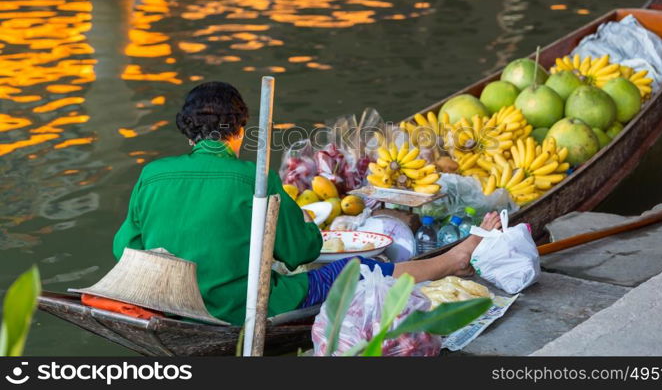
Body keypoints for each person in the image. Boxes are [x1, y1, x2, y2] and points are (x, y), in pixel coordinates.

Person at [113, 81, 501, 325]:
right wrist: (300, 227)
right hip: (231, 308)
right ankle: (454, 259)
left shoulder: (152, 174)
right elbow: (300, 251)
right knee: (360, 268)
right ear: (239, 130)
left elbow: (124, 249)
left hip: (167, 301)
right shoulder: (254, 179)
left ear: (187, 130)